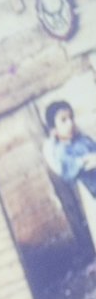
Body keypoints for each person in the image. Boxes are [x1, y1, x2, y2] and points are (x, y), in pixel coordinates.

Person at [43, 100, 96, 262]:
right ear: (53, 129)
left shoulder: (83, 140)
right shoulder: (61, 151)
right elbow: (68, 171)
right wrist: (85, 161)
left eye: (71, 118)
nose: (70, 123)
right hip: (91, 195)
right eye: (63, 120)